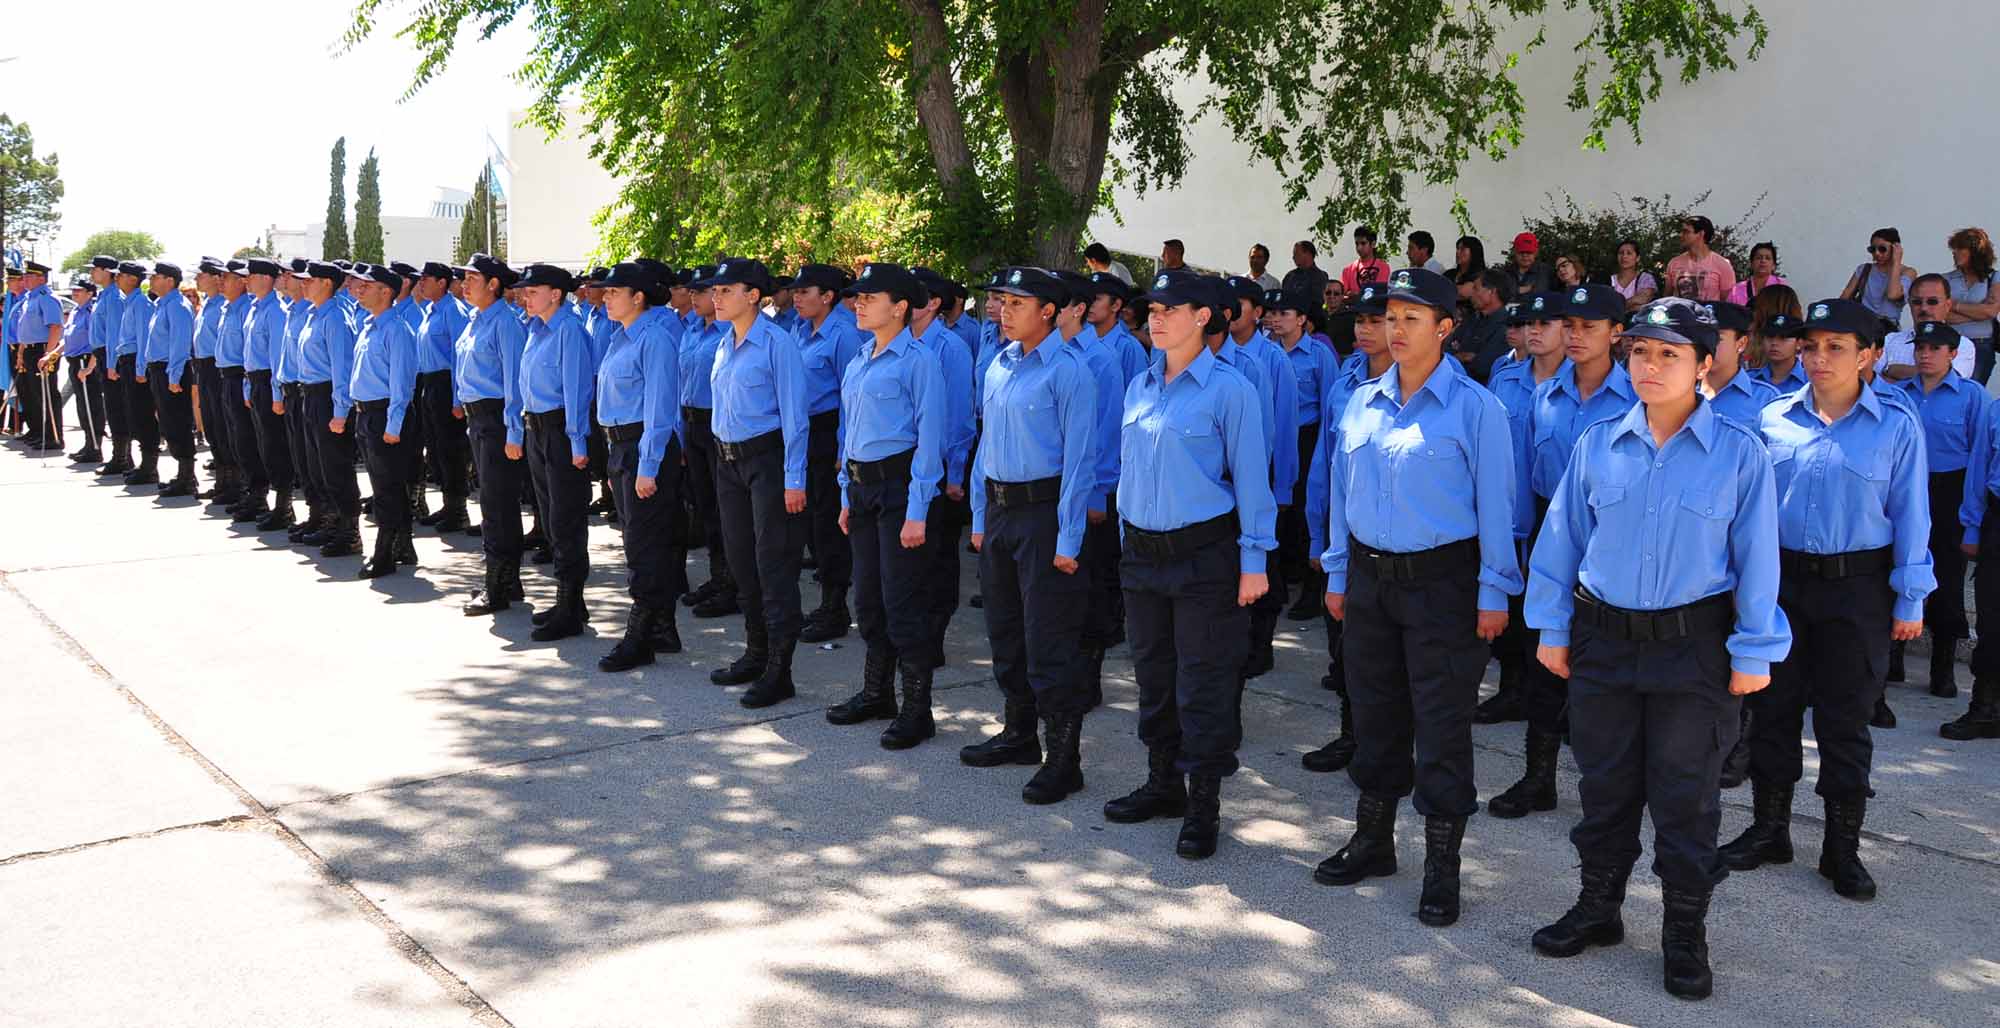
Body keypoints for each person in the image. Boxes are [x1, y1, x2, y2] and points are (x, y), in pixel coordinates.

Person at [1525, 299, 1788, 1001]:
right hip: (1603, 644)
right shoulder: (1598, 443)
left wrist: (1754, 650)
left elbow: (1758, 560)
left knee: (1686, 797)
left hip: (1691, 651)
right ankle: (1599, 907)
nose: (1650, 365)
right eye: (1640, 351)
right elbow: (1561, 543)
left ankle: (1684, 932)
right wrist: (1552, 629)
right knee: (1604, 786)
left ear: (1704, 364)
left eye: (1669, 354)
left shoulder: (1739, 452)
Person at [1314, 267, 1521, 928]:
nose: (1396, 329)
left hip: (1444, 585)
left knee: (1440, 725)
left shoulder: (1476, 408)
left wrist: (1495, 591)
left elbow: (1498, 508)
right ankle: (1374, 840)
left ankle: (1442, 865)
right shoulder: (1361, 401)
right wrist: (1338, 574)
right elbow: (1342, 495)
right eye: (1389, 317)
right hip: (1371, 579)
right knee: (1374, 714)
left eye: (1412, 318)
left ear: (1446, 327)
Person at [1724, 298, 1933, 904]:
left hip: (1857, 588)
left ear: (1869, 356)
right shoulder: (1773, 418)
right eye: (1811, 346)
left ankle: (1842, 847)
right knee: (1773, 709)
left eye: (1836, 347)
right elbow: (1749, 510)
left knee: (1845, 719)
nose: (1819, 358)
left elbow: (1912, 514)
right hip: (1783, 583)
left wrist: (1910, 597)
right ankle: (1770, 829)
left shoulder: (1895, 424)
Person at [1103, 269, 1276, 859]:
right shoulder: (1140, 384)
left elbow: (1252, 482)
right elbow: (1129, 471)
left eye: (1169, 310)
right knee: (1154, 674)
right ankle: (1163, 784)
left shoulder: (1231, 390)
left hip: (1204, 556)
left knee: (1203, 681)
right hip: (1142, 555)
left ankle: (1204, 804)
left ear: (1202, 317)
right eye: (1151, 309)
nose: (1154, 318)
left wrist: (1254, 561)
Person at [1489, 285, 1637, 821]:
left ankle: (1611, 790)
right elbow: (1525, 477)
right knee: (1543, 659)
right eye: (1569, 325)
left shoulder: (1636, 399)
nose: (1575, 336)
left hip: (1612, 542)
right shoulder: (1546, 397)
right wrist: (1518, 548)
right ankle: (1538, 778)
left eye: (1588, 327)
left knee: (1607, 669)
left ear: (1616, 333)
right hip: (1551, 540)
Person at [961, 266, 1097, 805]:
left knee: (1049, 640)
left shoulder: (1070, 371)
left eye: (1018, 303)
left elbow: (1080, 463)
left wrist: (1069, 540)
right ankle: (1019, 733)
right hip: (999, 512)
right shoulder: (999, 363)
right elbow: (985, 447)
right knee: (1005, 631)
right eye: (1003, 301)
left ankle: (1064, 759)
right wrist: (979, 518)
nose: (1004, 310)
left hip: (1044, 515)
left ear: (1049, 311)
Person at [822, 263, 947, 746]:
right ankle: (877, 693)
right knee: (869, 601)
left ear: (899, 307)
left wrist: (918, 510)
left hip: (899, 491)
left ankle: (918, 709)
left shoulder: (919, 361)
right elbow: (849, 434)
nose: (859, 304)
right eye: (857, 297)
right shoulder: (860, 359)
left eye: (869, 298)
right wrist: (845, 494)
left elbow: (930, 440)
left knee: (903, 602)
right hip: (861, 491)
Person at [700, 258, 810, 709]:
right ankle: (756, 651)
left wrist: (794, 479)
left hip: (767, 461)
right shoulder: (724, 343)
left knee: (773, 564)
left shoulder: (777, 343)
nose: (717, 297)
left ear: (752, 296)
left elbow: (796, 417)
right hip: (728, 462)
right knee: (741, 561)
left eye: (726, 290)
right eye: (715, 291)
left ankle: (780, 670)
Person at [594, 261, 687, 669]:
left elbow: (659, 410)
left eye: (615, 292)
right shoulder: (620, 337)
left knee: (644, 548)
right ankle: (662, 628)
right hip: (622, 448)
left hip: (644, 449)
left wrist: (647, 466)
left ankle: (640, 637)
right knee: (641, 541)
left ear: (638, 297)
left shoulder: (655, 338)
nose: (606, 297)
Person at [1888, 321, 1984, 703]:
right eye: (1920, 348)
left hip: (1950, 492)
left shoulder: (1972, 396)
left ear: (1952, 353)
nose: (1925, 355)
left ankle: (1942, 668)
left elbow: (1980, 457)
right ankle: (1892, 658)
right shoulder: (1899, 393)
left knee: (1946, 581)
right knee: (1897, 567)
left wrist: (1972, 516)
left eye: (1934, 348)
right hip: (1905, 489)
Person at [514, 263, 598, 640]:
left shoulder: (569, 330)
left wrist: (578, 442)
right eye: (524, 292)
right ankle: (569, 600)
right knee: (550, 517)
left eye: (533, 292)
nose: (525, 298)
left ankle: (570, 606)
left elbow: (577, 390)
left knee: (566, 520)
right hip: (537, 428)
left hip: (562, 431)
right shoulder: (535, 329)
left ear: (555, 294)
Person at [1222, 276, 1299, 679]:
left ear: (1257, 312)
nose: (1232, 311)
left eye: (1241, 303)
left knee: (1265, 561)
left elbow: (1283, 428)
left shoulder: (1271, 360)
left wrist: (1281, 487)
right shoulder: (1210, 351)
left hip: (1261, 477)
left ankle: (1261, 644)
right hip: (1223, 482)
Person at [790, 263, 864, 643]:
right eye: (796, 291)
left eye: (805, 292)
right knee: (811, 523)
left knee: (829, 524)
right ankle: (826, 602)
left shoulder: (844, 334)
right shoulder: (800, 330)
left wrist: (843, 447)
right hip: (804, 432)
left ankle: (836, 607)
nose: (796, 298)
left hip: (829, 432)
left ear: (828, 296)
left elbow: (851, 397)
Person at [453, 254, 530, 616]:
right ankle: (506, 579)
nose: (465, 285)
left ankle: (497, 585)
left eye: (472, 279)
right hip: (478, 419)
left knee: (498, 504)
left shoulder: (505, 324)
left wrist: (514, 431)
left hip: (497, 419)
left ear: (494, 284)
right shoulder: (475, 320)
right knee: (492, 501)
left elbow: (515, 383)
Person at [346, 265, 422, 578]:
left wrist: (393, 426)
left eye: (368, 285)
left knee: (386, 488)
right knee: (386, 485)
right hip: (366, 413)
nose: (360, 289)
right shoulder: (369, 326)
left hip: (386, 414)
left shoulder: (397, 330)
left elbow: (401, 383)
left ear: (386, 291)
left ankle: (384, 553)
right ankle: (403, 544)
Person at [1267, 288, 1338, 622]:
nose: (1277, 319)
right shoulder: (1268, 351)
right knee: (1277, 510)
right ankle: (1280, 581)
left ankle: (1313, 589)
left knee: (1307, 509)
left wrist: (1326, 447)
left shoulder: (1319, 354)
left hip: (1309, 437)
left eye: (1285, 314)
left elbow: (1330, 403)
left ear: (1302, 320)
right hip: (1277, 437)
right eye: (1274, 313)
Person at [292, 261, 363, 556]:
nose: (304, 284)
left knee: (336, 466)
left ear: (327, 284)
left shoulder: (335, 318)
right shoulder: (313, 314)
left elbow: (341, 369)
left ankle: (349, 531)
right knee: (317, 465)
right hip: (310, 394)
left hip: (327, 396)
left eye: (310, 280)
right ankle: (330, 522)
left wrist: (340, 411)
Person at [680, 267, 735, 617]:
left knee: (726, 509)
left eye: (701, 291)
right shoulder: (691, 330)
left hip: (717, 425)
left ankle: (733, 583)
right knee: (706, 507)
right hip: (691, 424)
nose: (695, 297)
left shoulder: (729, 332)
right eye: (694, 291)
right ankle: (718, 576)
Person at [1951, 373, 2000, 741]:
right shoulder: (1996, 411)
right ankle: (1985, 706)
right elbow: (1979, 469)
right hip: (1997, 520)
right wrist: (1971, 526)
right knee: (1992, 619)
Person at [413, 262, 474, 533]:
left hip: (446, 383)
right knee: (436, 448)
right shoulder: (431, 310)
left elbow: (458, 356)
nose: (421, 283)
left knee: (451, 448)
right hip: (429, 382)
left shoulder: (453, 311)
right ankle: (448, 504)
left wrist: (457, 399)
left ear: (442, 283)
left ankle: (458, 509)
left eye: (426, 279)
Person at [240, 259, 297, 532]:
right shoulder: (255, 308)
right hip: (255, 381)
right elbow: (248, 354)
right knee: (262, 444)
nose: (247, 280)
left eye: (251, 275)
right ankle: (265, 500)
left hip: (268, 382)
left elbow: (277, 358)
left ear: (266, 278)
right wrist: (247, 386)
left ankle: (284, 506)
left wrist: (276, 394)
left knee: (275, 446)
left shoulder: (276, 311)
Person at [141, 262, 200, 497]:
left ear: (169, 280)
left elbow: (179, 344)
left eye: (156, 277)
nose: (151, 280)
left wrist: (174, 376)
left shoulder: (177, 306)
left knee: (178, 422)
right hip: (159, 369)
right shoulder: (162, 304)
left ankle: (187, 476)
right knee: (168, 422)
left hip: (172, 369)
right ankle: (182, 474)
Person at [1877, 275, 1976, 382]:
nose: (1924, 308)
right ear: (1910, 304)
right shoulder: (1890, 340)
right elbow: (1872, 382)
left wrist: (1892, 370)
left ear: (1947, 305)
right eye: (1917, 302)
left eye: (1932, 302)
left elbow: (1943, 381)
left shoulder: (1962, 345)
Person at [10, 261, 64, 453]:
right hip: (30, 350)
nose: (24, 279)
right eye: (24, 276)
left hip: (42, 349)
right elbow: (25, 331)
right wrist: (21, 353)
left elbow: (55, 327)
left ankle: (54, 437)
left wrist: (48, 354)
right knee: (35, 395)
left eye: (29, 276)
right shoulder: (30, 298)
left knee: (47, 394)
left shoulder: (46, 298)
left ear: (41, 278)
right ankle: (41, 433)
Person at [1700, 302, 1780, 428]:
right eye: (1701, 337)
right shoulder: (1679, 391)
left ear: (1741, 343)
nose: (1707, 345)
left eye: (1717, 338)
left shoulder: (1765, 398)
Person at [58, 278, 106, 464]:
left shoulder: (91, 312)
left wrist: (90, 367)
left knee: (91, 405)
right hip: (74, 362)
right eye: (74, 290)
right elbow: (68, 338)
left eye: (79, 290)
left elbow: (97, 341)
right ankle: (88, 444)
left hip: (86, 362)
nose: (74, 293)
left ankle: (95, 447)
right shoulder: (75, 312)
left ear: (90, 293)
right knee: (82, 407)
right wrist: (53, 354)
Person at [1943, 228, 1999, 385]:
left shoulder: (1994, 277)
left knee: (1972, 389)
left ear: (1976, 252)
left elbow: (1991, 311)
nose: (1954, 253)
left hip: (1981, 345)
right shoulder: (1946, 279)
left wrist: (1954, 304)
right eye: (1954, 249)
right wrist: (1978, 311)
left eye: (1960, 248)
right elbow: (1942, 314)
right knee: (1949, 386)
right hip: (1952, 343)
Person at [1448, 268, 1511, 383]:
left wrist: (1458, 356)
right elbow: (1447, 350)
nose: (1471, 294)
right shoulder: (1472, 319)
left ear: (1491, 292)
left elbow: (1482, 367)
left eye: (1476, 289)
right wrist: (1462, 357)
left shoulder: (1507, 326)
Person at [1666, 216, 1737, 302]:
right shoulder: (1674, 263)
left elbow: (1728, 301)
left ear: (1700, 234)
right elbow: (1667, 299)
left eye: (1686, 232)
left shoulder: (1722, 265)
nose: (1681, 235)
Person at [1609, 239, 1658, 311]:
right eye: (1621, 253)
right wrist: (1632, 303)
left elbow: (1643, 299)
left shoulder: (1645, 278)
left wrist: (1614, 308)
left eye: (1629, 253)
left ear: (1637, 258)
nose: (1624, 256)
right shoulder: (1609, 279)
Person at [1339, 227, 1392, 295]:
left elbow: (1378, 294)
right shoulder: (1348, 270)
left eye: (1363, 243)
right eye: (1357, 244)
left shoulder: (1383, 267)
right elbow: (1341, 296)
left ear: (1373, 244)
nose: (1359, 248)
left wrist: (1355, 294)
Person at [1507, 232, 1555, 296]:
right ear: (1515, 252)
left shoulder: (1547, 272)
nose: (1525, 255)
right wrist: (1517, 290)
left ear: (1536, 252)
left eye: (1529, 252)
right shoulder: (1504, 274)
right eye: (1521, 252)